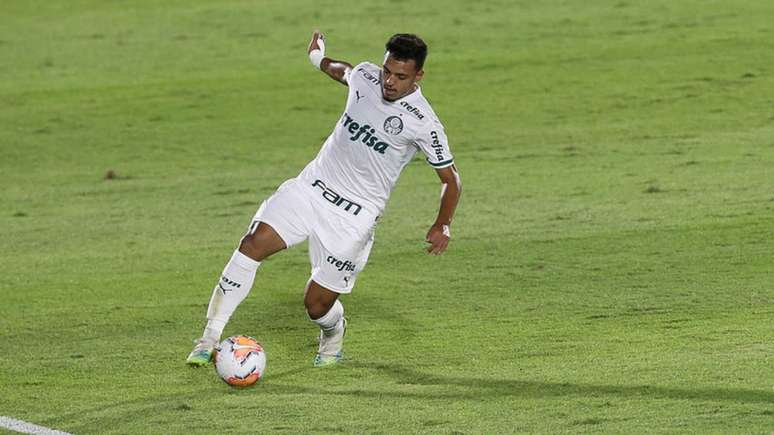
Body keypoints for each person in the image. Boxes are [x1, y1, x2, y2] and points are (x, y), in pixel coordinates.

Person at [186, 31, 461, 367]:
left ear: (418, 76)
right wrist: (317, 57)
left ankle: (333, 331)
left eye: (400, 76)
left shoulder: (425, 124)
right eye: (386, 70)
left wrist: (442, 224)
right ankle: (209, 337)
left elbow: (451, 179)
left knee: (316, 304)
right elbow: (341, 71)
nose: (389, 81)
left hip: (354, 216)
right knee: (253, 243)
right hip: (311, 188)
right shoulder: (365, 77)